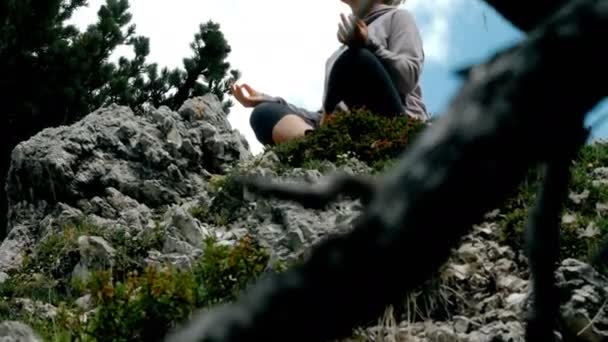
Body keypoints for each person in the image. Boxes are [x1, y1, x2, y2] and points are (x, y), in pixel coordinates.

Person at [231, 0, 428, 146]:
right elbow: (325, 114)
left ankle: (327, 143)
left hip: (393, 124)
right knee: (263, 114)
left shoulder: (398, 17)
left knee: (356, 60)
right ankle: (320, 146)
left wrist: (369, 45)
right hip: (344, 130)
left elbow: (408, 77)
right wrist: (270, 100)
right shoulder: (337, 55)